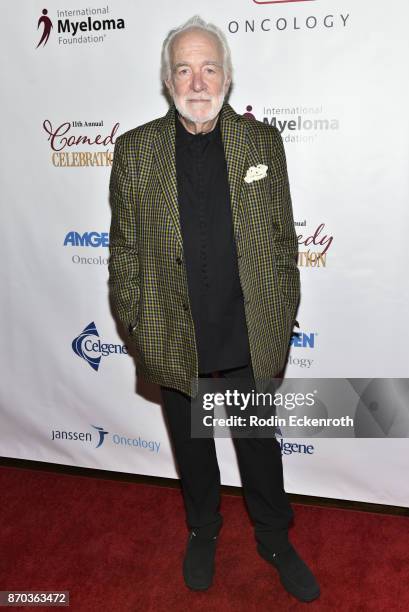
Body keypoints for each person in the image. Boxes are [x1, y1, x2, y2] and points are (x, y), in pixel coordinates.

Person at [108, 14, 320, 603]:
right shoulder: (134, 150)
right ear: (167, 79)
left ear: (226, 76)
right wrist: (138, 328)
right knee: (193, 450)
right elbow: (123, 251)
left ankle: (274, 539)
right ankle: (203, 530)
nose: (197, 82)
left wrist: (277, 325)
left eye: (208, 68)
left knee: (258, 447)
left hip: (247, 334)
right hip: (174, 336)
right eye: (184, 69)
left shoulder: (262, 143)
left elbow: (282, 240)